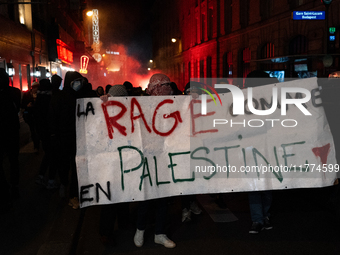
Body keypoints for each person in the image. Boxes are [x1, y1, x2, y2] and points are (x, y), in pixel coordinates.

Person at [134, 73, 176, 248]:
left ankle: (159, 232)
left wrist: (194, 100)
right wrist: (106, 101)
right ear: (155, 87)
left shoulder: (174, 104)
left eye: (167, 85)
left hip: (165, 158)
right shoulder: (140, 105)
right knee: (146, 197)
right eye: (163, 85)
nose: (167, 89)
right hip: (146, 159)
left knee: (163, 198)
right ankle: (140, 229)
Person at [49, 71, 93, 208]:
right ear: (69, 82)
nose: (79, 84)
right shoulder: (60, 97)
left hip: (78, 138)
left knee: (77, 167)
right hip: (63, 138)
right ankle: (64, 183)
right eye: (76, 81)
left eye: (80, 81)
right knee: (64, 164)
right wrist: (53, 135)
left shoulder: (82, 96)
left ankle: (74, 194)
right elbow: (52, 118)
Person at [244, 70, 278, 234]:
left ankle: (264, 216)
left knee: (267, 185)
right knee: (255, 186)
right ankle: (258, 218)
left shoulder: (273, 101)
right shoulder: (242, 102)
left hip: (269, 148)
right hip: (252, 149)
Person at [99, 84, 130, 245]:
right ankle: (106, 231)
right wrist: (101, 102)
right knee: (109, 198)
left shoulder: (128, 112)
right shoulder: (102, 110)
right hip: (109, 162)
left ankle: (123, 223)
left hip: (123, 160)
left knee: (123, 193)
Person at [0, 68, 21, 213]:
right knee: (14, 160)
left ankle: (6, 190)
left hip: (2, 132)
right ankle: (14, 186)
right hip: (12, 130)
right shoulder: (15, 92)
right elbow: (17, 108)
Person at [34, 79, 58, 189]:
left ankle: (41, 175)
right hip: (51, 131)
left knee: (48, 154)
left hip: (42, 131)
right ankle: (51, 180)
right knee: (53, 156)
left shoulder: (37, 99)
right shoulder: (51, 99)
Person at [22, 81, 40, 152]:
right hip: (29, 115)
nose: (36, 89)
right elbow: (22, 104)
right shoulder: (27, 94)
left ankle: (37, 145)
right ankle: (36, 145)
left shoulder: (39, 95)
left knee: (36, 130)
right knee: (33, 130)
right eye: (35, 88)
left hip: (36, 115)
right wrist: (27, 106)